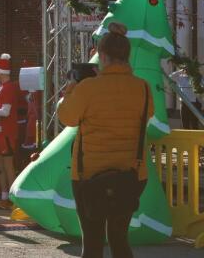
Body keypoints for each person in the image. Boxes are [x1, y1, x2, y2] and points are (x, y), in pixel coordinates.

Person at [58, 23, 153, 258]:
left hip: (89, 176)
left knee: (92, 244)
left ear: (101, 56)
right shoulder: (142, 87)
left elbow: (67, 118)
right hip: (131, 174)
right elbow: (147, 115)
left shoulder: (88, 87)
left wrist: (71, 89)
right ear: (126, 55)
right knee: (120, 240)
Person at [0, 54, 19, 210]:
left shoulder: (7, 88)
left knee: (7, 165)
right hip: (0, 132)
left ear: (0, 72)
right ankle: (4, 195)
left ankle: (13, 199)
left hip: (6, 133)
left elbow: (6, 112)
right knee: (0, 165)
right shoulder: (3, 87)